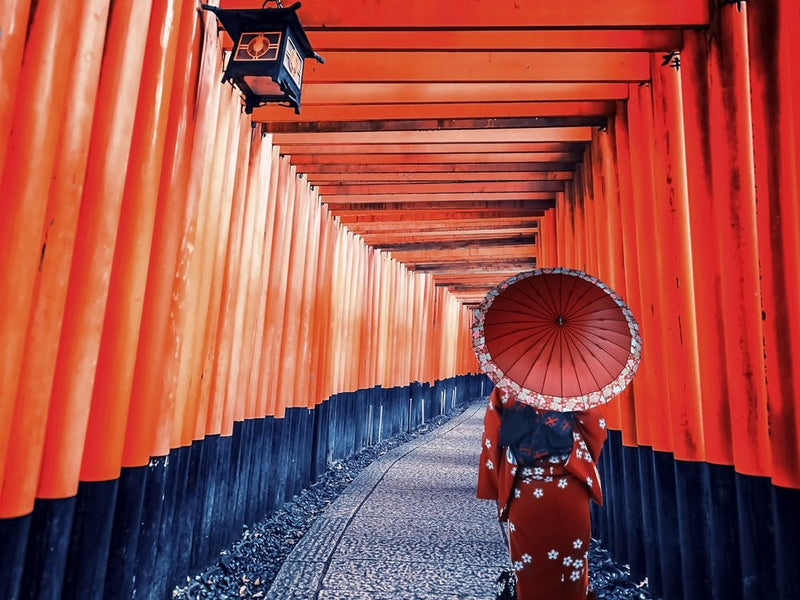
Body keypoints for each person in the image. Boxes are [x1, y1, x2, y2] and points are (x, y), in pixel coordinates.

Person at [477, 387, 608, 600]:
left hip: (525, 492)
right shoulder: (575, 387)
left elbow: (491, 440)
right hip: (570, 491)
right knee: (571, 571)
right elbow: (596, 428)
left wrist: (496, 487)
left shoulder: (506, 388)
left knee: (529, 570)